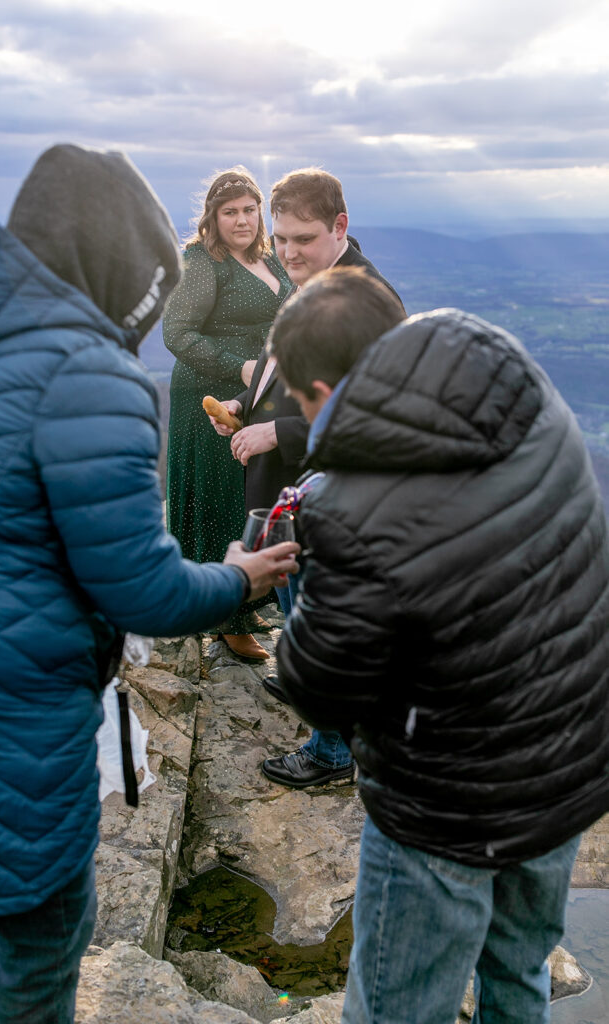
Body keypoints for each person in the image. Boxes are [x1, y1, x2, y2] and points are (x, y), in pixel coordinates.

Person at [0, 143, 299, 1024]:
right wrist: (238, 577)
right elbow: (144, 593)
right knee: (46, 934)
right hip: (13, 702)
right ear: (117, 268)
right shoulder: (88, 376)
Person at [269, 266, 609, 1024]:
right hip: (568, 762)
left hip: (448, 807)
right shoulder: (503, 368)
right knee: (518, 972)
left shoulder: (352, 506)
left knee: (394, 1009)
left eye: (297, 400)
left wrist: (292, 573)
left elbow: (320, 687)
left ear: (321, 391)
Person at [212, 167, 406, 788]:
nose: (288, 252)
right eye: (282, 238)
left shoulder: (368, 301)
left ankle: (332, 750)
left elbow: (382, 416)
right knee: (298, 613)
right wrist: (248, 404)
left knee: (321, 620)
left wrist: (280, 433)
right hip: (289, 491)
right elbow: (279, 361)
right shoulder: (310, 284)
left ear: (340, 227)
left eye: (304, 238)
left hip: (332, 499)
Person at [163, 166, 292, 662]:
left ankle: (245, 601)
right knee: (219, 498)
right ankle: (225, 619)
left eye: (249, 209)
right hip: (209, 395)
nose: (241, 220)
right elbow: (177, 333)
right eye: (229, 212)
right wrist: (236, 366)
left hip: (257, 391)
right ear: (213, 218)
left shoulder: (269, 258)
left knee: (248, 493)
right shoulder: (203, 263)